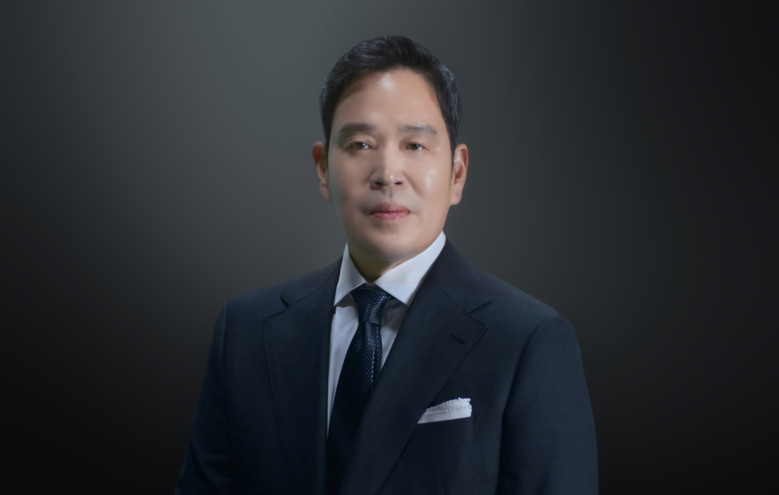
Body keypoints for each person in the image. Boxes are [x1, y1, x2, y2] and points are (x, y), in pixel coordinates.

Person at [175, 35, 598, 494]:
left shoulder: (529, 342)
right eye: (360, 144)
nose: (387, 174)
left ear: (457, 173)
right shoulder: (246, 332)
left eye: (414, 145)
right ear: (322, 168)